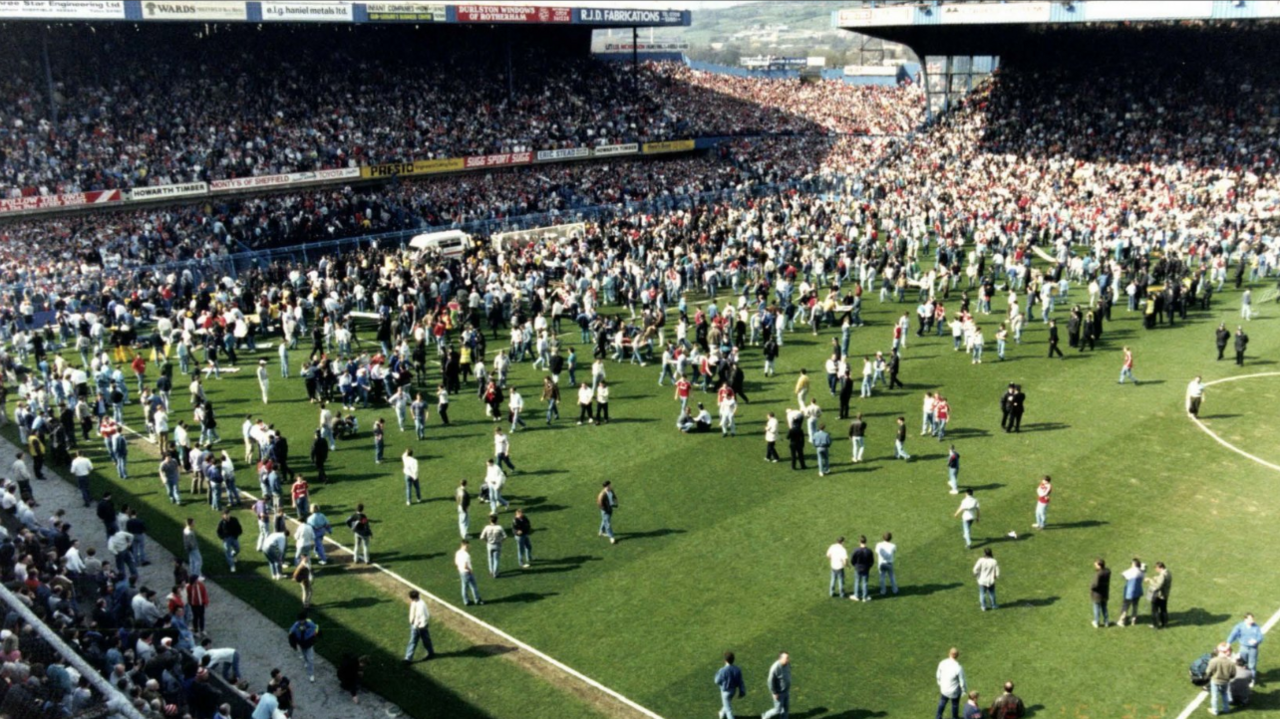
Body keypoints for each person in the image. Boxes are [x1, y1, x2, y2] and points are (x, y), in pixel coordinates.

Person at [287, 611, 320, 682]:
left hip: (309, 644)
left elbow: (315, 628)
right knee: (304, 655)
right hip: (301, 644)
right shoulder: (296, 625)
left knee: (310, 659)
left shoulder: (310, 624)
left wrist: (307, 630)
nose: (301, 621)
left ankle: (311, 674)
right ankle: (306, 661)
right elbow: (291, 631)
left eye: (302, 620)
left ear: (305, 619)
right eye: (300, 620)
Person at [404, 590, 435, 663]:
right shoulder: (415, 602)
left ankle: (408, 658)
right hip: (415, 625)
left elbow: (424, 617)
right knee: (424, 640)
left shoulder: (421, 605)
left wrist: (420, 626)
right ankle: (430, 652)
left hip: (419, 626)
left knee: (414, 641)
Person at [936, 647, 967, 719]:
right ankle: (955, 717)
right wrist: (964, 690)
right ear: (957, 655)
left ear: (949, 653)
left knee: (942, 702)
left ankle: (938, 717)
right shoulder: (958, 667)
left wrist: (940, 683)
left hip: (944, 689)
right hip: (954, 691)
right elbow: (962, 681)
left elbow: (938, 675)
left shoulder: (942, 663)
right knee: (955, 705)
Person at [714, 651, 746, 719]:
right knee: (726, 704)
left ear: (725, 660)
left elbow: (716, 681)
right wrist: (742, 691)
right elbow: (740, 682)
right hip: (733, 691)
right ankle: (721, 713)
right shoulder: (737, 669)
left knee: (729, 710)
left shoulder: (722, 670)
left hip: (725, 691)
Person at [1207, 642, 1237, 715]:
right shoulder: (1231, 663)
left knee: (1214, 696)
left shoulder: (1213, 661)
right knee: (1224, 694)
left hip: (1215, 680)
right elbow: (1233, 674)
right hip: (1225, 681)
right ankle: (1226, 709)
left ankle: (1215, 710)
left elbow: (1208, 672)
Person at [762, 652, 791, 719]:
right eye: (786, 658)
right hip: (779, 693)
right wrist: (774, 693)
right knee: (777, 709)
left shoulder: (787, 664)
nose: (788, 660)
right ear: (780, 658)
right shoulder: (775, 668)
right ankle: (765, 716)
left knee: (786, 708)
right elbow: (770, 681)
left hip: (786, 691)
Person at [455, 540, 483, 606]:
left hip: (461, 571)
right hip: (467, 572)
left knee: (464, 587)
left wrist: (460, 567)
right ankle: (477, 599)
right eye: (467, 546)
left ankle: (466, 601)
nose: (468, 547)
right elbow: (465, 565)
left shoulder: (458, 552)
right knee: (473, 586)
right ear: (464, 545)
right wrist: (470, 570)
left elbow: (456, 562)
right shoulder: (466, 555)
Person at [480, 513, 507, 578]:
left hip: (489, 544)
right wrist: (501, 541)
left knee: (490, 558)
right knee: (496, 559)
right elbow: (505, 536)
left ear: (490, 520)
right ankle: (495, 573)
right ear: (496, 520)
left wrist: (486, 541)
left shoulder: (487, 527)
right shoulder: (499, 527)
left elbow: (481, 537)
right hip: (497, 544)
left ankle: (491, 571)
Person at [1146, 561, 1171, 629]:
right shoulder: (1168, 572)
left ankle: (1155, 624)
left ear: (1160, 567)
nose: (1155, 570)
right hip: (1165, 595)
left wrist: (1150, 580)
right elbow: (1162, 580)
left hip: (1159, 595)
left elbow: (1158, 586)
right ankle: (1164, 624)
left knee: (1155, 610)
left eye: (1156, 568)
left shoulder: (1162, 575)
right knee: (1163, 610)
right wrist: (1156, 578)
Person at [849, 535, 873, 602]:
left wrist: (855, 565)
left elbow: (852, 560)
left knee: (857, 581)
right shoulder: (869, 551)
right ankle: (865, 597)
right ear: (866, 542)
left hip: (858, 568)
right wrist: (869, 567)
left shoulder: (856, 550)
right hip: (866, 568)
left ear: (859, 542)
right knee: (865, 583)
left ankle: (856, 596)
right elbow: (872, 561)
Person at [1091, 558, 1111, 628]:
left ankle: (1096, 622)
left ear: (1099, 566)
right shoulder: (1108, 571)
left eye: (1096, 564)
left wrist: (1091, 587)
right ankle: (1106, 622)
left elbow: (1095, 585)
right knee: (1104, 608)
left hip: (1097, 595)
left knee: (1096, 608)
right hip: (1105, 593)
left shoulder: (1098, 574)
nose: (1095, 566)